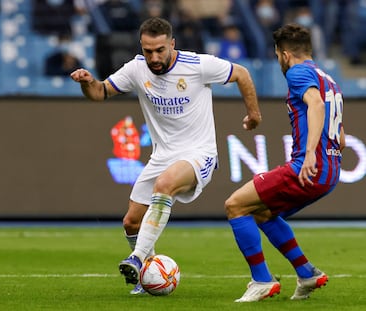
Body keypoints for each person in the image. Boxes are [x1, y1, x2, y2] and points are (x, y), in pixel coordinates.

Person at [70, 17, 262, 294]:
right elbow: (100, 92)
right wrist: (87, 82)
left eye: (160, 50)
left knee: (165, 186)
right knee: (131, 222)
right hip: (162, 156)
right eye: (148, 51)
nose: (154, 57)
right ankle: (146, 276)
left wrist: (253, 114)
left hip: (199, 153)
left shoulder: (197, 66)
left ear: (172, 44)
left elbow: (242, 73)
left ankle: (137, 258)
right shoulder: (136, 69)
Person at [224, 23, 345, 302]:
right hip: (331, 171)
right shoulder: (329, 79)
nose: (279, 60)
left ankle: (262, 280)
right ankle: (307, 273)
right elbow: (340, 134)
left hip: (310, 166)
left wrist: (311, 153)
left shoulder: (298, 72)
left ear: (285, 54)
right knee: (262, 212)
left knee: (235, 205)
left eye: (278, 55)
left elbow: (315, 105)